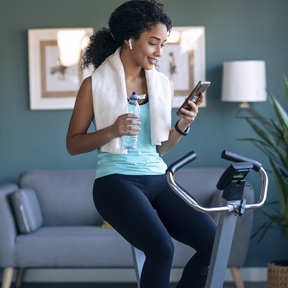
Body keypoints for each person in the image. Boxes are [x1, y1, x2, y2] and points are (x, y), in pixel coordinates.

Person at [66, 1, 216, 287]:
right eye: (153, 43)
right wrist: (112, 130)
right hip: (116, 181)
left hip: (160, 178)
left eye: (163, 44)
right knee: (162, 250)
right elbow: (73, 144)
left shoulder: (162, 84)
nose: (160, 52)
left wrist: (182, 124)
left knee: (214, 243)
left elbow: (160, 149)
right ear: (129, 39)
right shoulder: (94, 85)